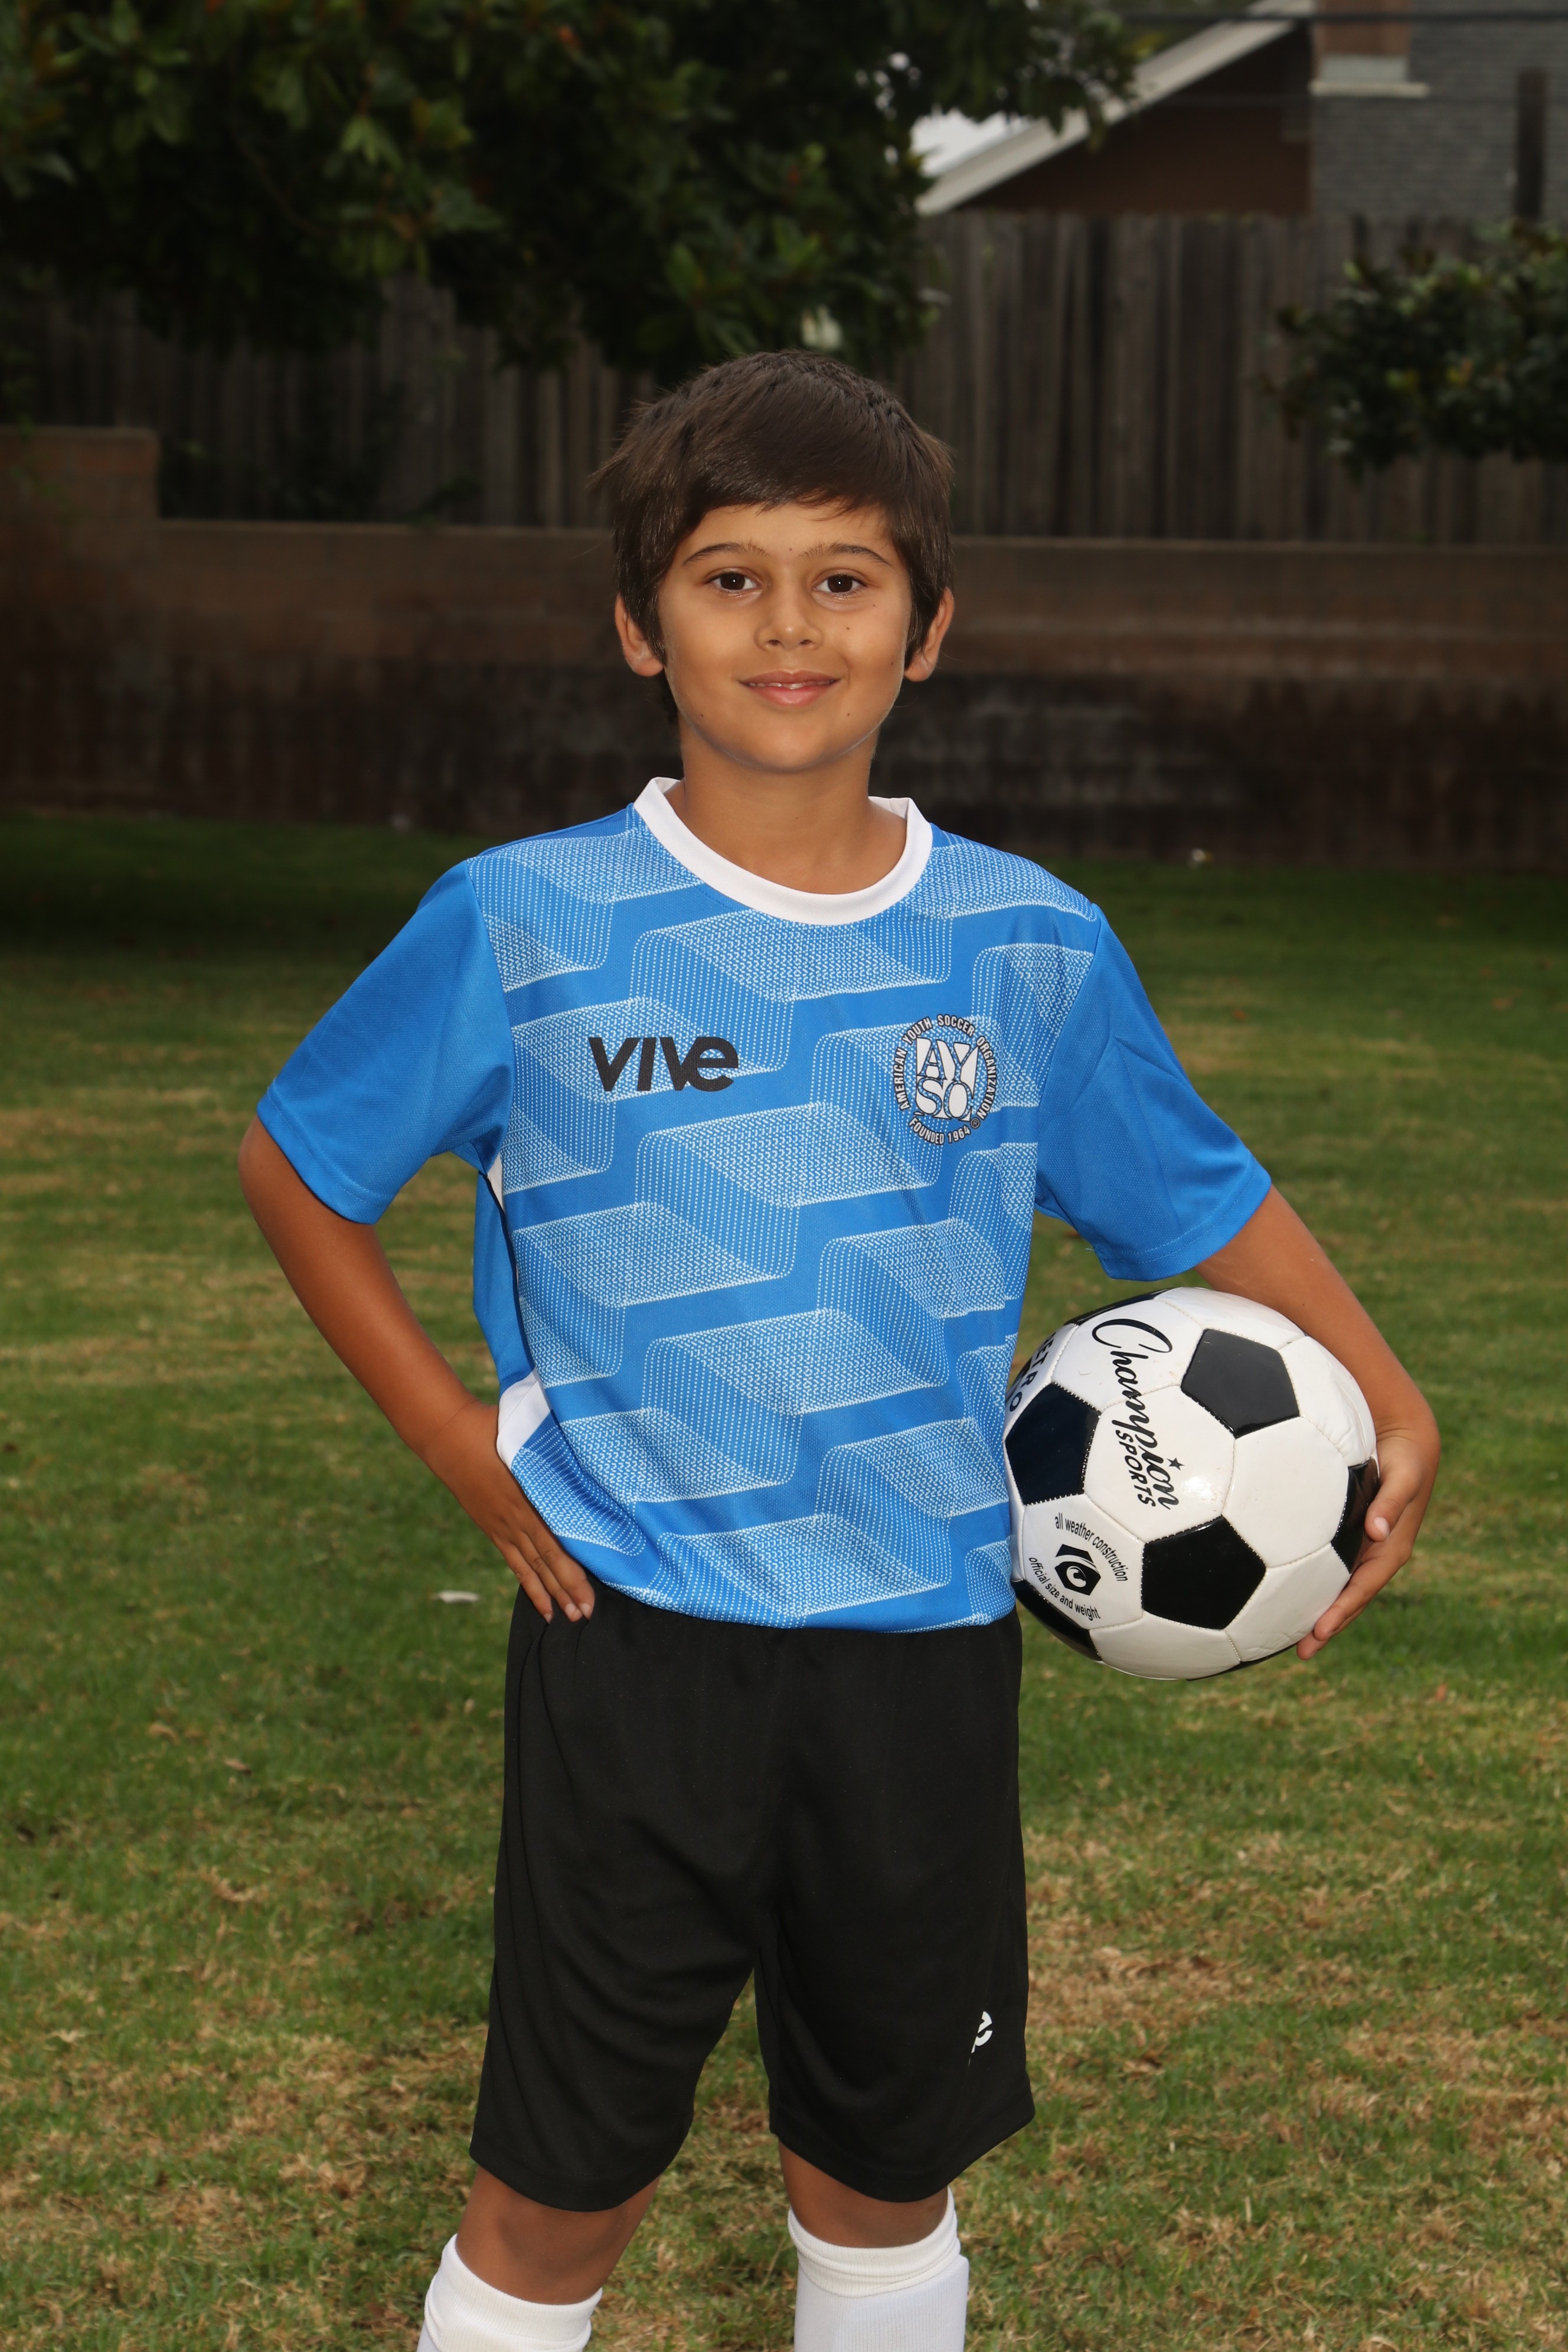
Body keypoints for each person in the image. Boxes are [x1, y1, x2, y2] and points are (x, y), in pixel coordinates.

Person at [238, 351, 1439, 2352]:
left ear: (927, 626)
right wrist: (459, 1441)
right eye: (731, 578)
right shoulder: (526, 922)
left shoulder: (1026, 944)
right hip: (637, 1643)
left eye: (844, 580)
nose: (789, 626)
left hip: (925, 1654)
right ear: (642, 626)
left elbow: (1193, 1194)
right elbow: (301, 1163)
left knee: (885, 2184)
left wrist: (1385, 1392)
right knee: (557, 2193)